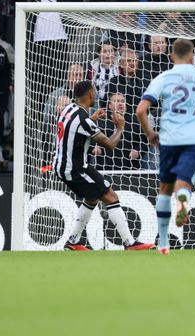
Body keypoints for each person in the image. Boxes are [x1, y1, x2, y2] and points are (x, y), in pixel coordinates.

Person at [135, 39, 195, 255]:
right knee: (184, 183)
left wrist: (150, 134)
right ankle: (184, 199)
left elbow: (140, 110)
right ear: (193, 56)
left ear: (172, 56)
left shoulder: (164, 77)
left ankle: (164, 242)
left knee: (165, 188)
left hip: (169, 138)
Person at [55, 80, 155, 251]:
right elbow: (109, 145)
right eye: (94, 91)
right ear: (89, 95)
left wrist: (91, 119)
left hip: (64, 165)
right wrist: (120, 128)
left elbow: (76, 127)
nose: (96, 94)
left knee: (92, 198)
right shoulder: (83, 120)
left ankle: (72, 242)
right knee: (111, 196)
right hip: (75, 168)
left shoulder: (68, 109)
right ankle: (129, 243)